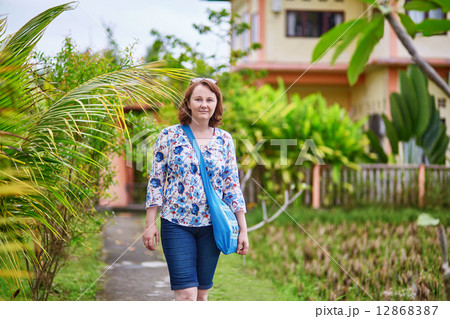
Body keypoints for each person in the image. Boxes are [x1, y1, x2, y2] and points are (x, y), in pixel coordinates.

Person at [142, 78, 249, 301]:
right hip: (176, 224)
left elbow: (232, 186)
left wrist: (243, 229)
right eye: (198, 99)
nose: (204, 104)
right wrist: (150, 223)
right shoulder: (169, 136)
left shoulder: (225, 140)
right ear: (188, 103)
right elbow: (156, 180)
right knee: (186, 296)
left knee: (201, 296)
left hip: (213, 226)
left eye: (210, 100)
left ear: (216, 104)